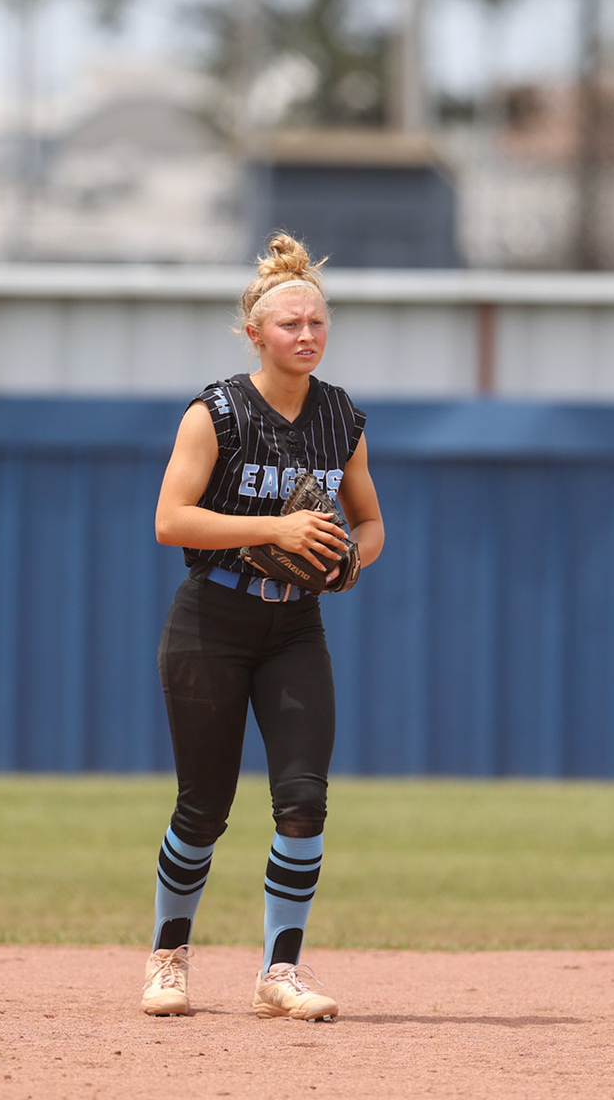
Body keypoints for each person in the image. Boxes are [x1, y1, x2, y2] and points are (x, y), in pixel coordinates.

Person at [140, 232, 384, 1022]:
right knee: (204, 807)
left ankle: (281, 971)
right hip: (211, 621)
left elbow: (370, 523)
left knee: (304, 801)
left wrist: (350, 561)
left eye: (317, 323)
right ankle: (169, 956)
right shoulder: (217, 412)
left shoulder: (340, 416)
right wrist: (272, 534)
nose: (306, 335)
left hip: (293, 630)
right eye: (290, 325)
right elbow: (171, 521)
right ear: (256, 334)